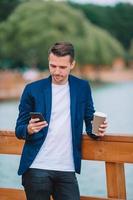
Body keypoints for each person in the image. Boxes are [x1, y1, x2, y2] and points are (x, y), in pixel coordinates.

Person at [15, 42, 107, 200]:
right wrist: (29, 129)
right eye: (53, 66)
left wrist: (97, 130)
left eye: (62, 67)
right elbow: (19, 129)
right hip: (36, 167)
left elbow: (89, 121)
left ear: (72, 64)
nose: (56, 72)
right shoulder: (32, 89)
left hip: (67, 168)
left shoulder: (82, 87)